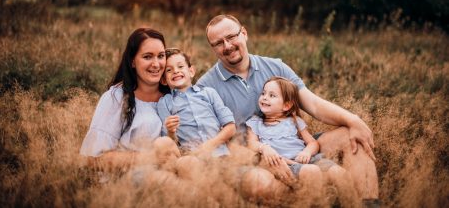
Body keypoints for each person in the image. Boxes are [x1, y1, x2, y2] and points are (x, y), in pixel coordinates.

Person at [196, 14, 379, 204]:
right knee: (260, 184)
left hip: (294, 146)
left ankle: (368, 204)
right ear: (212, 48)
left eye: (231, 37)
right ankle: (321, 197)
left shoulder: (275, 66)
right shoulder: (205, 87)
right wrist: (260, 159)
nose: (227, 46)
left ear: (244, 33)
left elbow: (314, 105)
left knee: (352, 135)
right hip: (251, 159)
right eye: (218, 43)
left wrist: (353, 120)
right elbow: (212, 145)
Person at [246, 76, 357, 206]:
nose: (265, 97)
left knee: (340, 173)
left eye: (272, 95)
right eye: (263, 93)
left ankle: (354, 204)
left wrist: (307, 152)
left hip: (306, 158)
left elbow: (312, 143)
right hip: (286, 164)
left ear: (287, 105)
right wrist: (264, 148)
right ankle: (316, 204)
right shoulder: (256, 123)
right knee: (311, 172)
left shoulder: (294, 121)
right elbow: (251, 143)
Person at [80, 28, 180, 171]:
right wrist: (151, 158)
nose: (156, 64)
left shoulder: (175, 94)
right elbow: (93, 160)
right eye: (147, 57)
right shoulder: (116, 98)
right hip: (131, 179)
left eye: (161, 56)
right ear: (133, 61)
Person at [157, 48, 236, 157]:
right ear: (164, 80)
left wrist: (210, 145)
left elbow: (231, 127)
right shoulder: (165, 102)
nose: (175, 71)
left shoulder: (209, 93)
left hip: (221, 155)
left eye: (180, 66)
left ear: (191, 71)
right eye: (169, 70)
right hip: (192, 159)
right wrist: (170, 131)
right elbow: (169, 144)